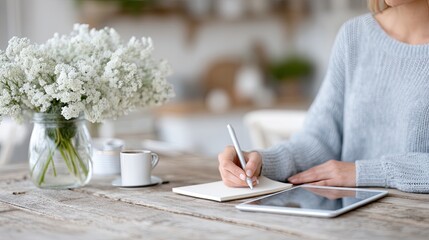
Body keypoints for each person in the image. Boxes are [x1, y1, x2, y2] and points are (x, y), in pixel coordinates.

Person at [218, 0, 429, 193]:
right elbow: (320, 139)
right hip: (354, 224)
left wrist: (365, 172)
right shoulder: (354, 36)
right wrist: (261, 162)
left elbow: (356, 172)